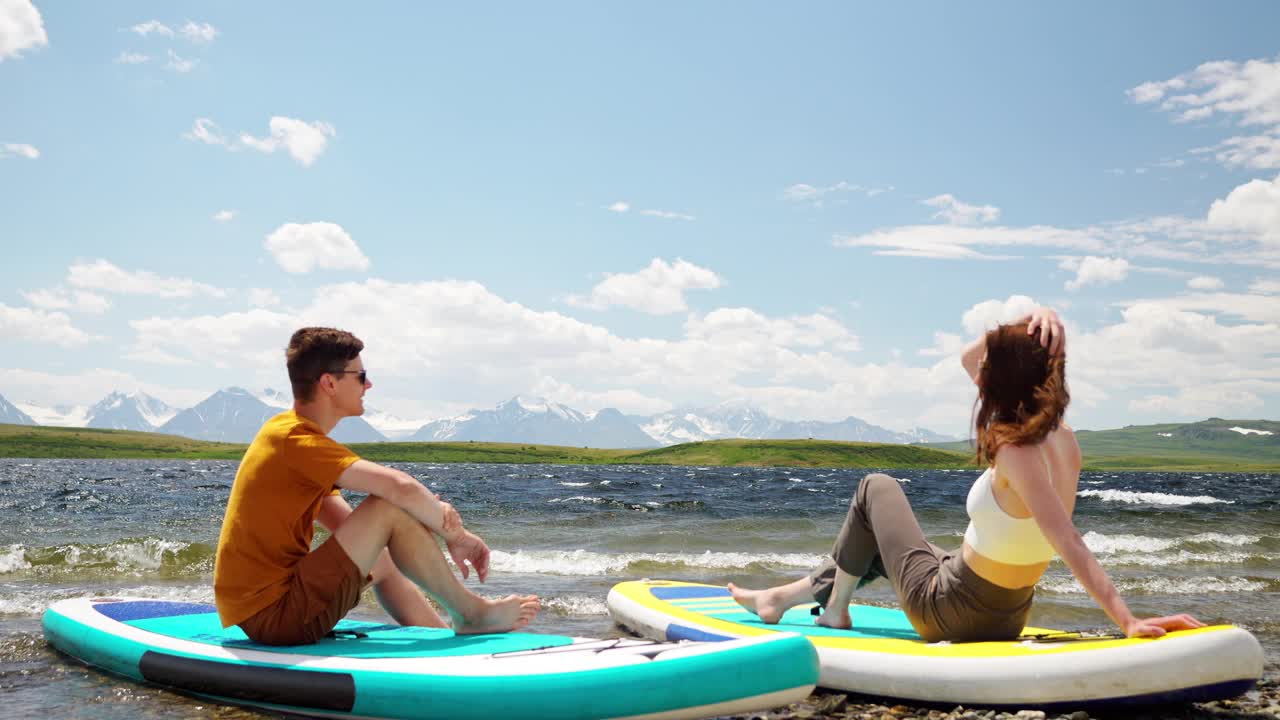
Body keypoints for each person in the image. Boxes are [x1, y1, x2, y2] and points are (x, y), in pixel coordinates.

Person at [729, 308, 1204, 642]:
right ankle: (783, 598)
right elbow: (969, 358)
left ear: (1000, 378)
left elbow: (1069, 541)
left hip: (949, 612)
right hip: (1006, 616)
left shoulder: (1016, 451)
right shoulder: (1065, 440)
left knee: (877, 488)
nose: (979, 372)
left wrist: (1127, 621)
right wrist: (1043, 316)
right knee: (898, 544)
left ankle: (834, 613)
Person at [214, 326, 539, 645]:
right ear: (329, 383)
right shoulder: (295, 440)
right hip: (277, 615)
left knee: (384, 546)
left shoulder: (287, 434)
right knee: (387, 505)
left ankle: (440, 634)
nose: (368, 384)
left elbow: (351, 525)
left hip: (266, 609)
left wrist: (416, 517)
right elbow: (399, 487)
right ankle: (471, 613)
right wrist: (456, 535)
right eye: (359, 375)